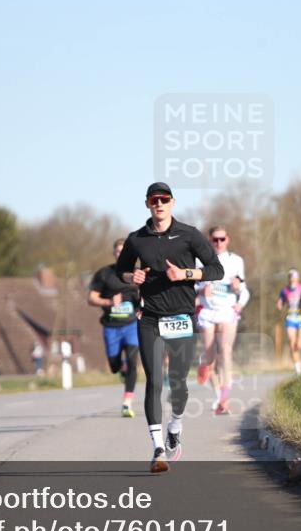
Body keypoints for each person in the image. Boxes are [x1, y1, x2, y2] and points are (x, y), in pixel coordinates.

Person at [116, 182, 223, 473]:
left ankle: (175, 426)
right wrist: (131, 276)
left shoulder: (188, 235)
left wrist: (186, 274)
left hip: (181, 317)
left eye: (164, 199)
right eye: (154, 200)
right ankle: (158, 449)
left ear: (172, 203)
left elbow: (216, 269)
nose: (159, 204)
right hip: (149, 317)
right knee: (154, 380)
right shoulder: (137, 239)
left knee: (178, 383)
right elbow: (119, 271)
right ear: (148, 204)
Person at [195, 226, 249, 416]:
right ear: (209, 241)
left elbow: (244, 290)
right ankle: (218, 394)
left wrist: (239, 298)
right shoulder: (199, 260)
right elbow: (189, 287)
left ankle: (224, 399)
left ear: (228, 239)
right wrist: (201, 290)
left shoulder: (236, 261)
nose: (218, 243)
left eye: (222, 239)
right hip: (208, 311)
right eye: (215, 240)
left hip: (227, 310)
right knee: (210, 358)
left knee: (225, 351)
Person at [88, 238, 141, 418]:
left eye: (124, 251)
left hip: (132, 325)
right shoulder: (104, 274)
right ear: (114, 253)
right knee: (114, 365)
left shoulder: (138, 275)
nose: (121, 254)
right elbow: (92, 298)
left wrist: (143, 306)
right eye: (118, 251)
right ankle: (121, 368)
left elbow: (147, 296)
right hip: (111, 327)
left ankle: (127, 403)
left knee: (133, 362)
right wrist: (109, 301)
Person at [276, 269, 301, 375]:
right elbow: (281, 300)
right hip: (290, 318)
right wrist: (279, 304)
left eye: (294, 277)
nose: (292, 279)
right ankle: (298, 368)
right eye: (290, 277)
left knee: (300, 342)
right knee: (292, 342)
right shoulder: (285, 290)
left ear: (298, 278)